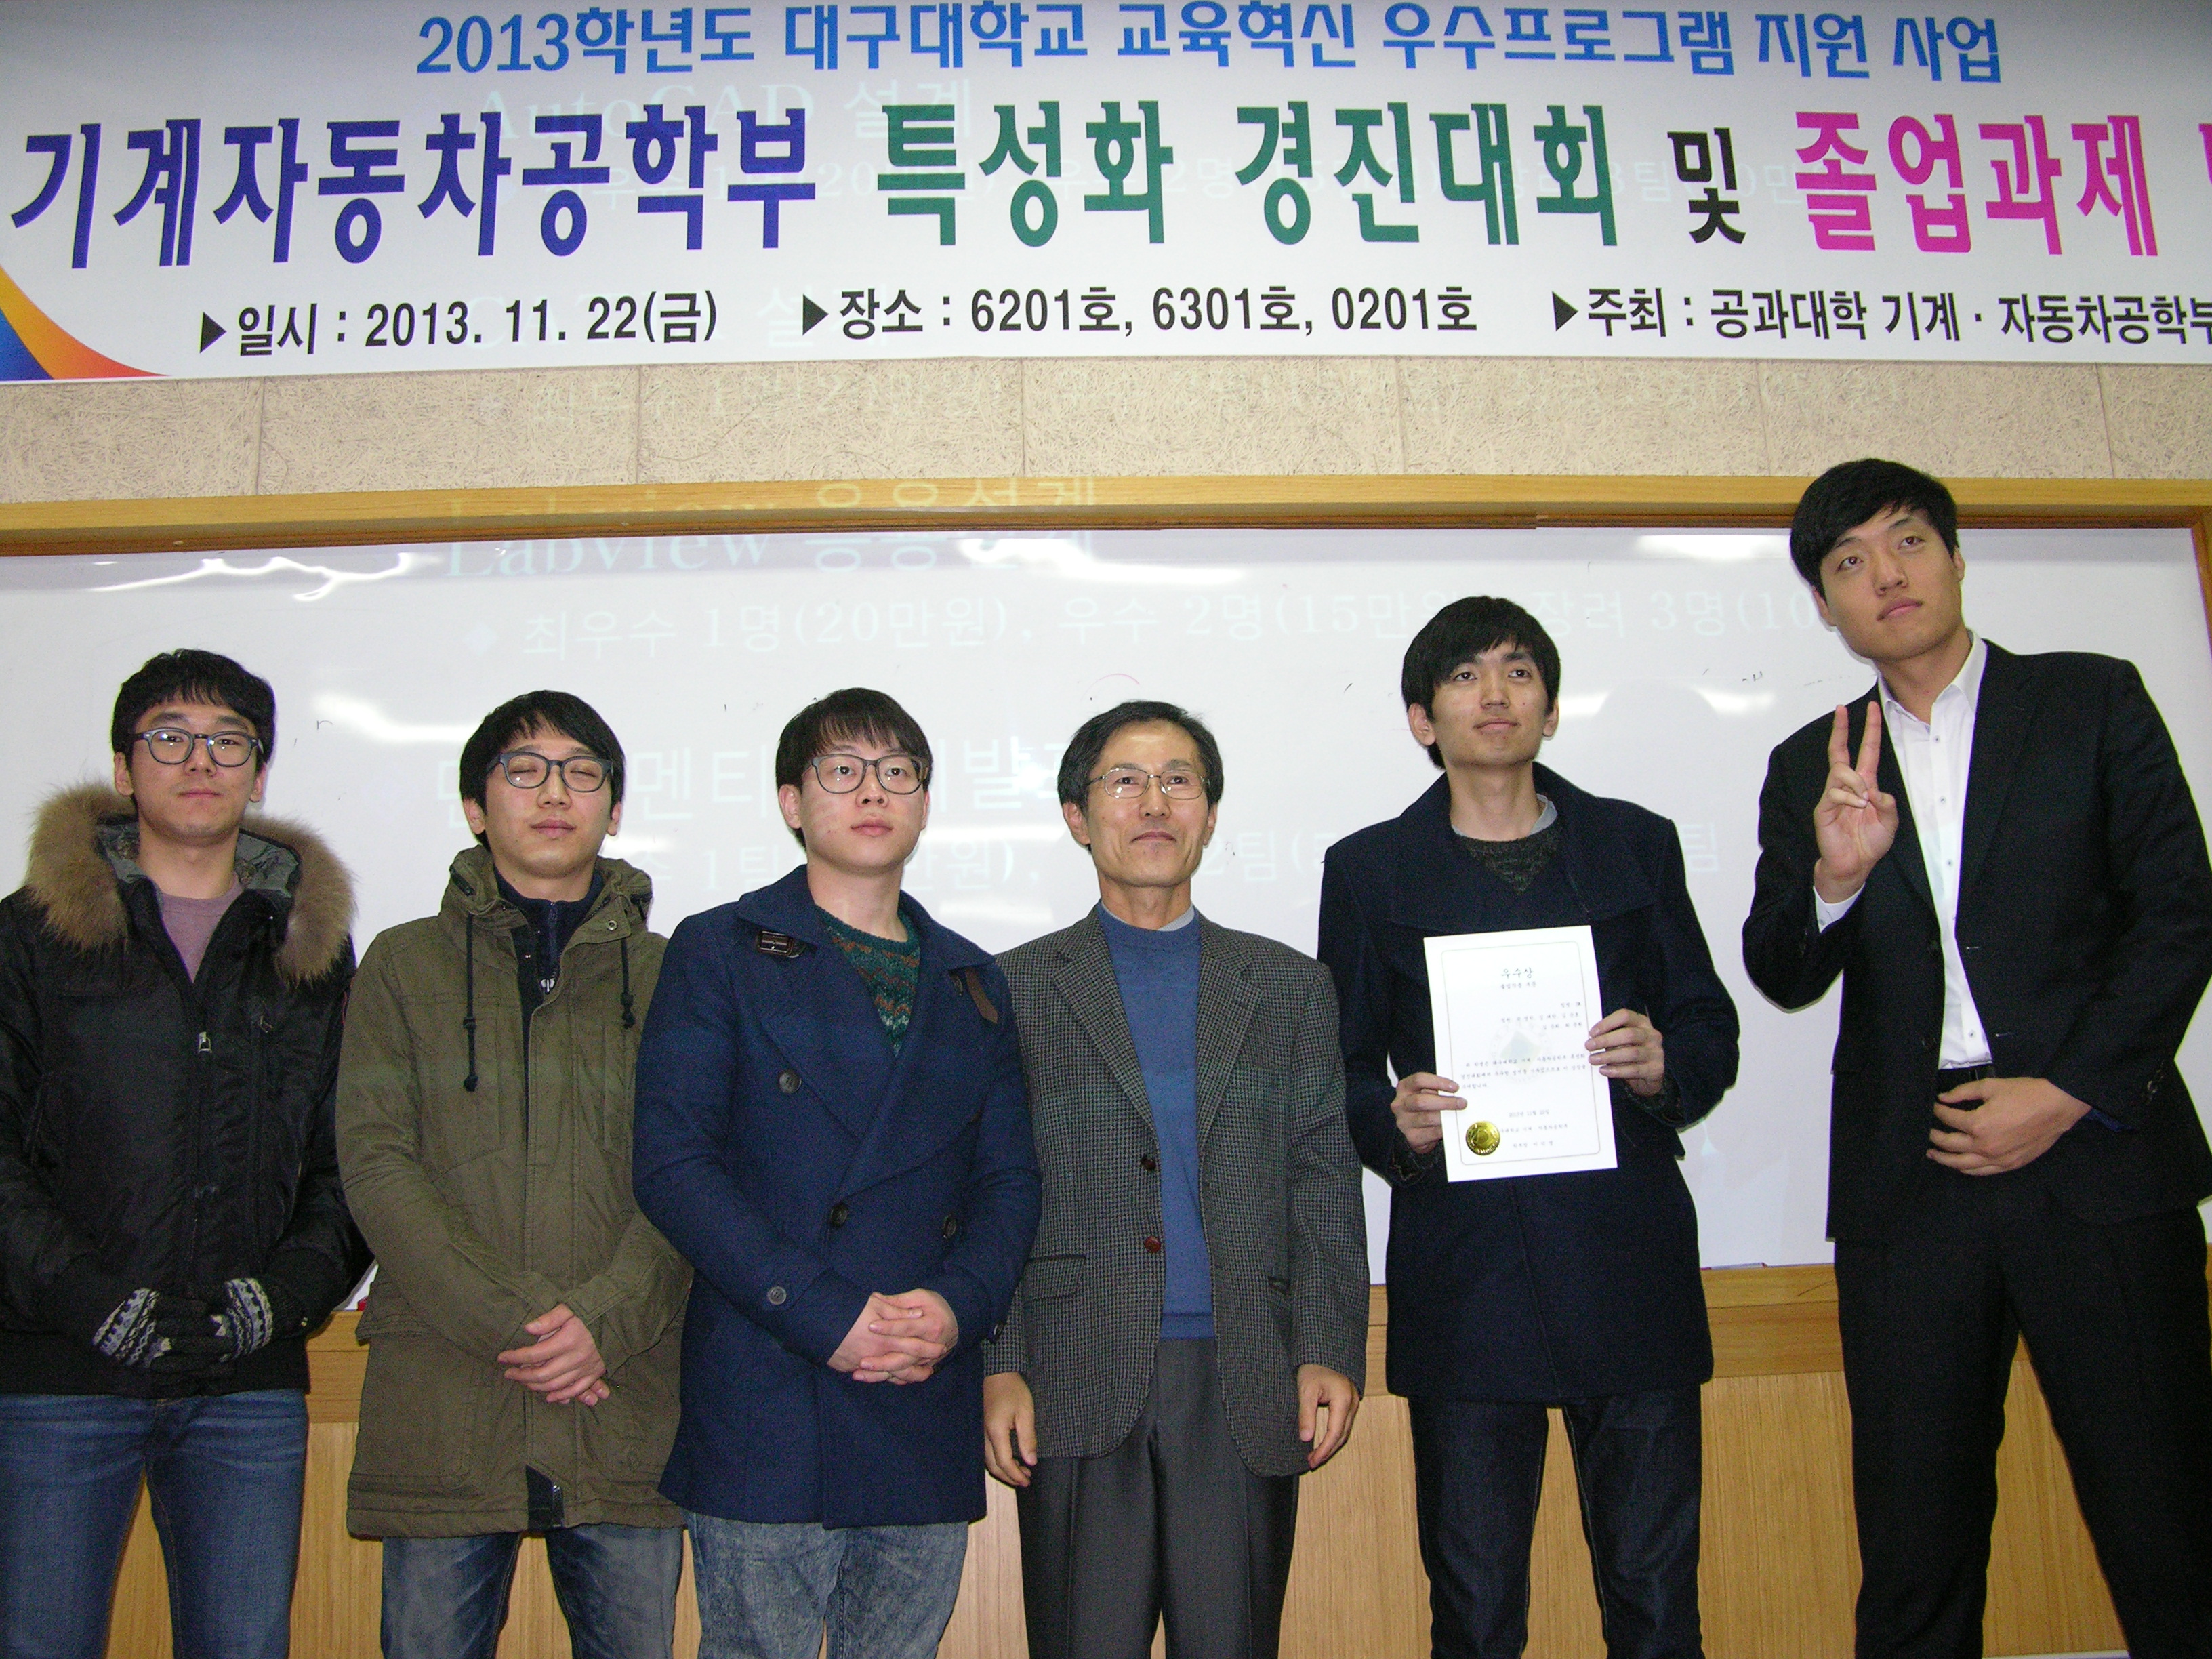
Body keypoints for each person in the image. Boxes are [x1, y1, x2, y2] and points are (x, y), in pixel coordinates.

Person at [1744, 457, 2212, 1659]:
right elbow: (1781, 967)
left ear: (1956, 558)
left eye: (1908, 542)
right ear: (1825, 607)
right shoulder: (1813, 762)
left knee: (2167, 1518)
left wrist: (2068, 1092)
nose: (1886, 575)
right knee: (1916, 1543)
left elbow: (2180, 914)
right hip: (1913, 1182)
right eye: (1850, 562)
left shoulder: (2091, 699)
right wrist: (1835, 878)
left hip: (2098, 1157)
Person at [1318, 599, 1740, 1659]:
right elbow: (1340, 1068)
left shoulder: (1636, 843)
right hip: (1466, 1275)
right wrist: (1396, 1122)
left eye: (1518, 671)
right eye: (1464, 676)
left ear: (1550, 709)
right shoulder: (1367, 869)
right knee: (1474, 1607)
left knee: (1655, 1600)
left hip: (1625, 1258)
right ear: (1423, 719)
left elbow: (1708, 1024)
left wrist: (1664, 1062)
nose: (1495, 694)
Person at [632, 687, 1040, 1659]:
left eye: (898, 772)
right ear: (791, 801)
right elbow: (674, 1165)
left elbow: (1009, 1182)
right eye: (842, 770)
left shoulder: (972, 980)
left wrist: (956, 1308)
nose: (873, 790)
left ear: (925, 804)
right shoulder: (718, 949)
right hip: (770, 1387)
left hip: (921, 1389)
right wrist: (824, 1314)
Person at [0, 649, 367, 1659]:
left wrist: (278, 1302)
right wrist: (88, 1300)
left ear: (260, 773)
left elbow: (351, 1158)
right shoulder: (28, 938)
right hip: (59, 1376)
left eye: (228, 742)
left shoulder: (311, 950)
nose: (199, 761)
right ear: (124, 769)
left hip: (246, 1385)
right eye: (169, 737)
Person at [982, 700, 1368, 1659]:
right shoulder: (1011, 989)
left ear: (1210, 813)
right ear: (1078, 817)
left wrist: (1329, 1347)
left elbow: (1323, 1178)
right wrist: (999, 1363)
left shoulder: (1288, 987)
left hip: (1245, 1375)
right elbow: (983, 1193)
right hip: (1073, 1373)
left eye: (1179, 780)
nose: (1154, 803)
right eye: (1125, 781)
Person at [337, 690, 691, 1659]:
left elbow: (696, 1175)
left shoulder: (677, 974)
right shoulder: (401, 966)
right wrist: (523, 1324)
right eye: (524, 770)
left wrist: (603, 1323)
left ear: (613, 808)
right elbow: (375, 1161)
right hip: (451, 1391)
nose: (555, 793)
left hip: (622, 1392)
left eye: (583, 773)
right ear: (474, 806)